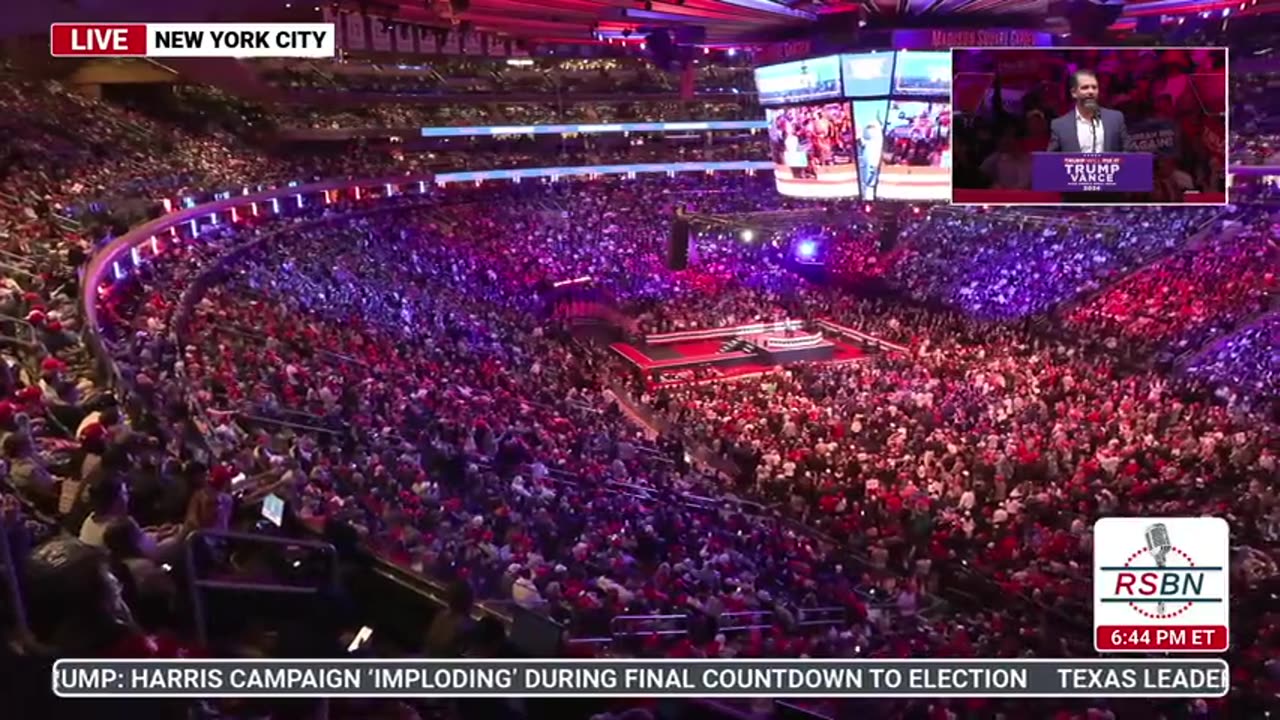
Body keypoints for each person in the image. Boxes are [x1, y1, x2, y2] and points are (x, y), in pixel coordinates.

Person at [1046, 69, 1134, 153]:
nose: (1091, 91)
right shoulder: (1059, 125)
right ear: (1073, 93)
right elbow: (1050, 161)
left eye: (1094, 87)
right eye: (1085, 88)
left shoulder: (1115, 119)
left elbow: (1129, 152)